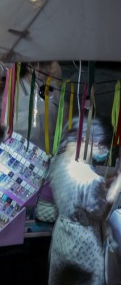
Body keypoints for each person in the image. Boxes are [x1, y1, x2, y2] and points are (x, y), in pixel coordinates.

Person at [49, 118, 121, 285]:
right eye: (102, 145)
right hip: (83, 243)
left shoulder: (59, 161)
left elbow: (78, 195)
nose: (104, 151)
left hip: (62, 235)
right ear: (91, 142)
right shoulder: (90, 179)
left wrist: (107, 182)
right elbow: (100, 212)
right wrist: (117, 185)